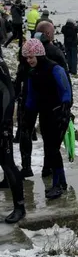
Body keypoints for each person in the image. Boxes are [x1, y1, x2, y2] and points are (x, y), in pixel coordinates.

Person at [22, 39, 72, 199]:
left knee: (53, 150)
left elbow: (66, 91)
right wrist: (28, 118)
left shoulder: (55, 69)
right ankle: (62, 182)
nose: (29, 60)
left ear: (39, 54)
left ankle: (57, 185)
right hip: (44, 115)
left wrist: (65, 109)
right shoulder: (32, 73)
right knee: (51, 150)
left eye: (31, 57)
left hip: (58, 115)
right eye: (27, 57)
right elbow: (31, 98)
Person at [0, 54, 26, 223]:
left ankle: (20, 207)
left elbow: (8, 93)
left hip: (2, 123)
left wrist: (5, 123)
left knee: (7, 163)